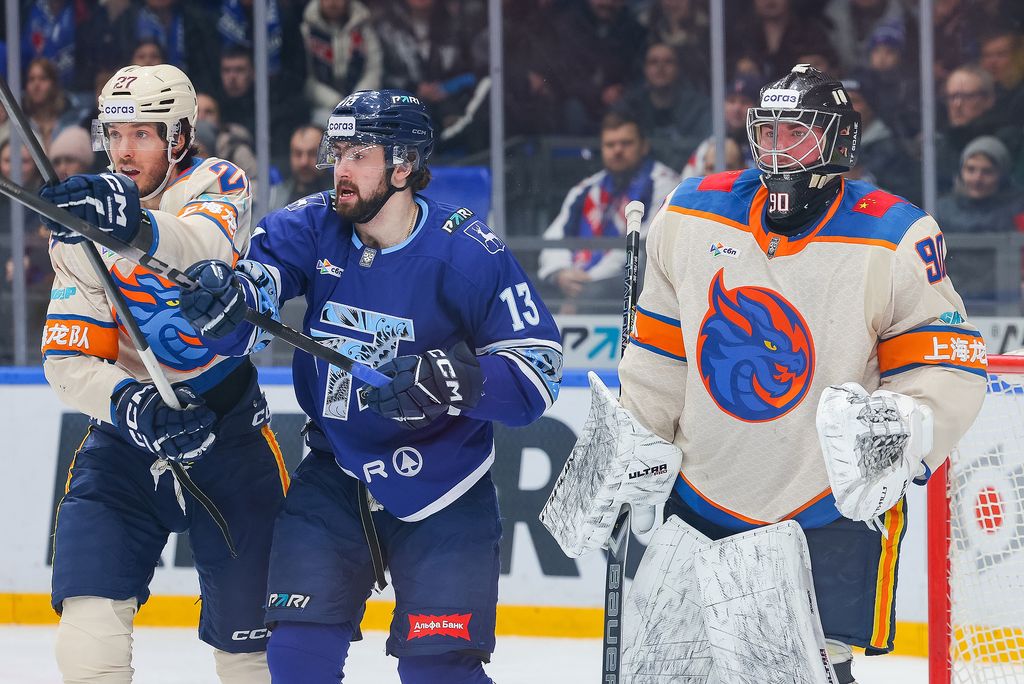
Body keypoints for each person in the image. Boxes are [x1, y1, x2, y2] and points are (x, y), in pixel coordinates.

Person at [176, 89, 563, 684]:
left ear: (403, 166)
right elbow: (254, 300)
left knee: (437, 674)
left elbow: (538, 371)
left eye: (358, 154)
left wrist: (448, 380)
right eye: (337, 153)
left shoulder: (468, 253)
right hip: (335, 473)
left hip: (445, 485)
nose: (340, 169)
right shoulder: (312, 225)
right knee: (297, 660)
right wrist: (227, 304)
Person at [617, 65, 987, 682]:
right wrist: (635, 438)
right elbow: (659, 352)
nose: (778, 148)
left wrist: (906, 425)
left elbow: (943, 362)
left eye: (797, 133)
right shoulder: (690, 214)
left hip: (823, 509)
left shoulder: (894, 234)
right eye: (769, 132)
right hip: (700, 498)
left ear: (839, 141)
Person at [38, 64, 287, 684]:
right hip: (126, 442)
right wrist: (133, 406)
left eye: (142, 134)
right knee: (87, 640)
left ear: (179, 136)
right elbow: (66, 362)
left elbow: (204, 246)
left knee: (252, 656)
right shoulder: (77, 229)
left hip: (231, 441)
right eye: (114, 134)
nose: (124, 151)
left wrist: (127, 224)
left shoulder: (216, 181)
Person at [537, 110, 680, 314]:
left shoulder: (665, 184)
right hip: (577, 280)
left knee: (594, 295)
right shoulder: (586, 188)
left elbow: (642, 245)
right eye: (610, 145)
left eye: (626, 143)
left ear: (644, 146)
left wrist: (588, 281)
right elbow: (555, 237)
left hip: (628, 281)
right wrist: (561, 273)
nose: (617, 150)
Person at [934, 135, 1024, 307]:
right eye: (970, 169)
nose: (977, 178)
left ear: (1002, 174)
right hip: (953, 302)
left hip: (1006, 303)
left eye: (987, 171)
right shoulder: (942, 210)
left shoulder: (1018, 208)